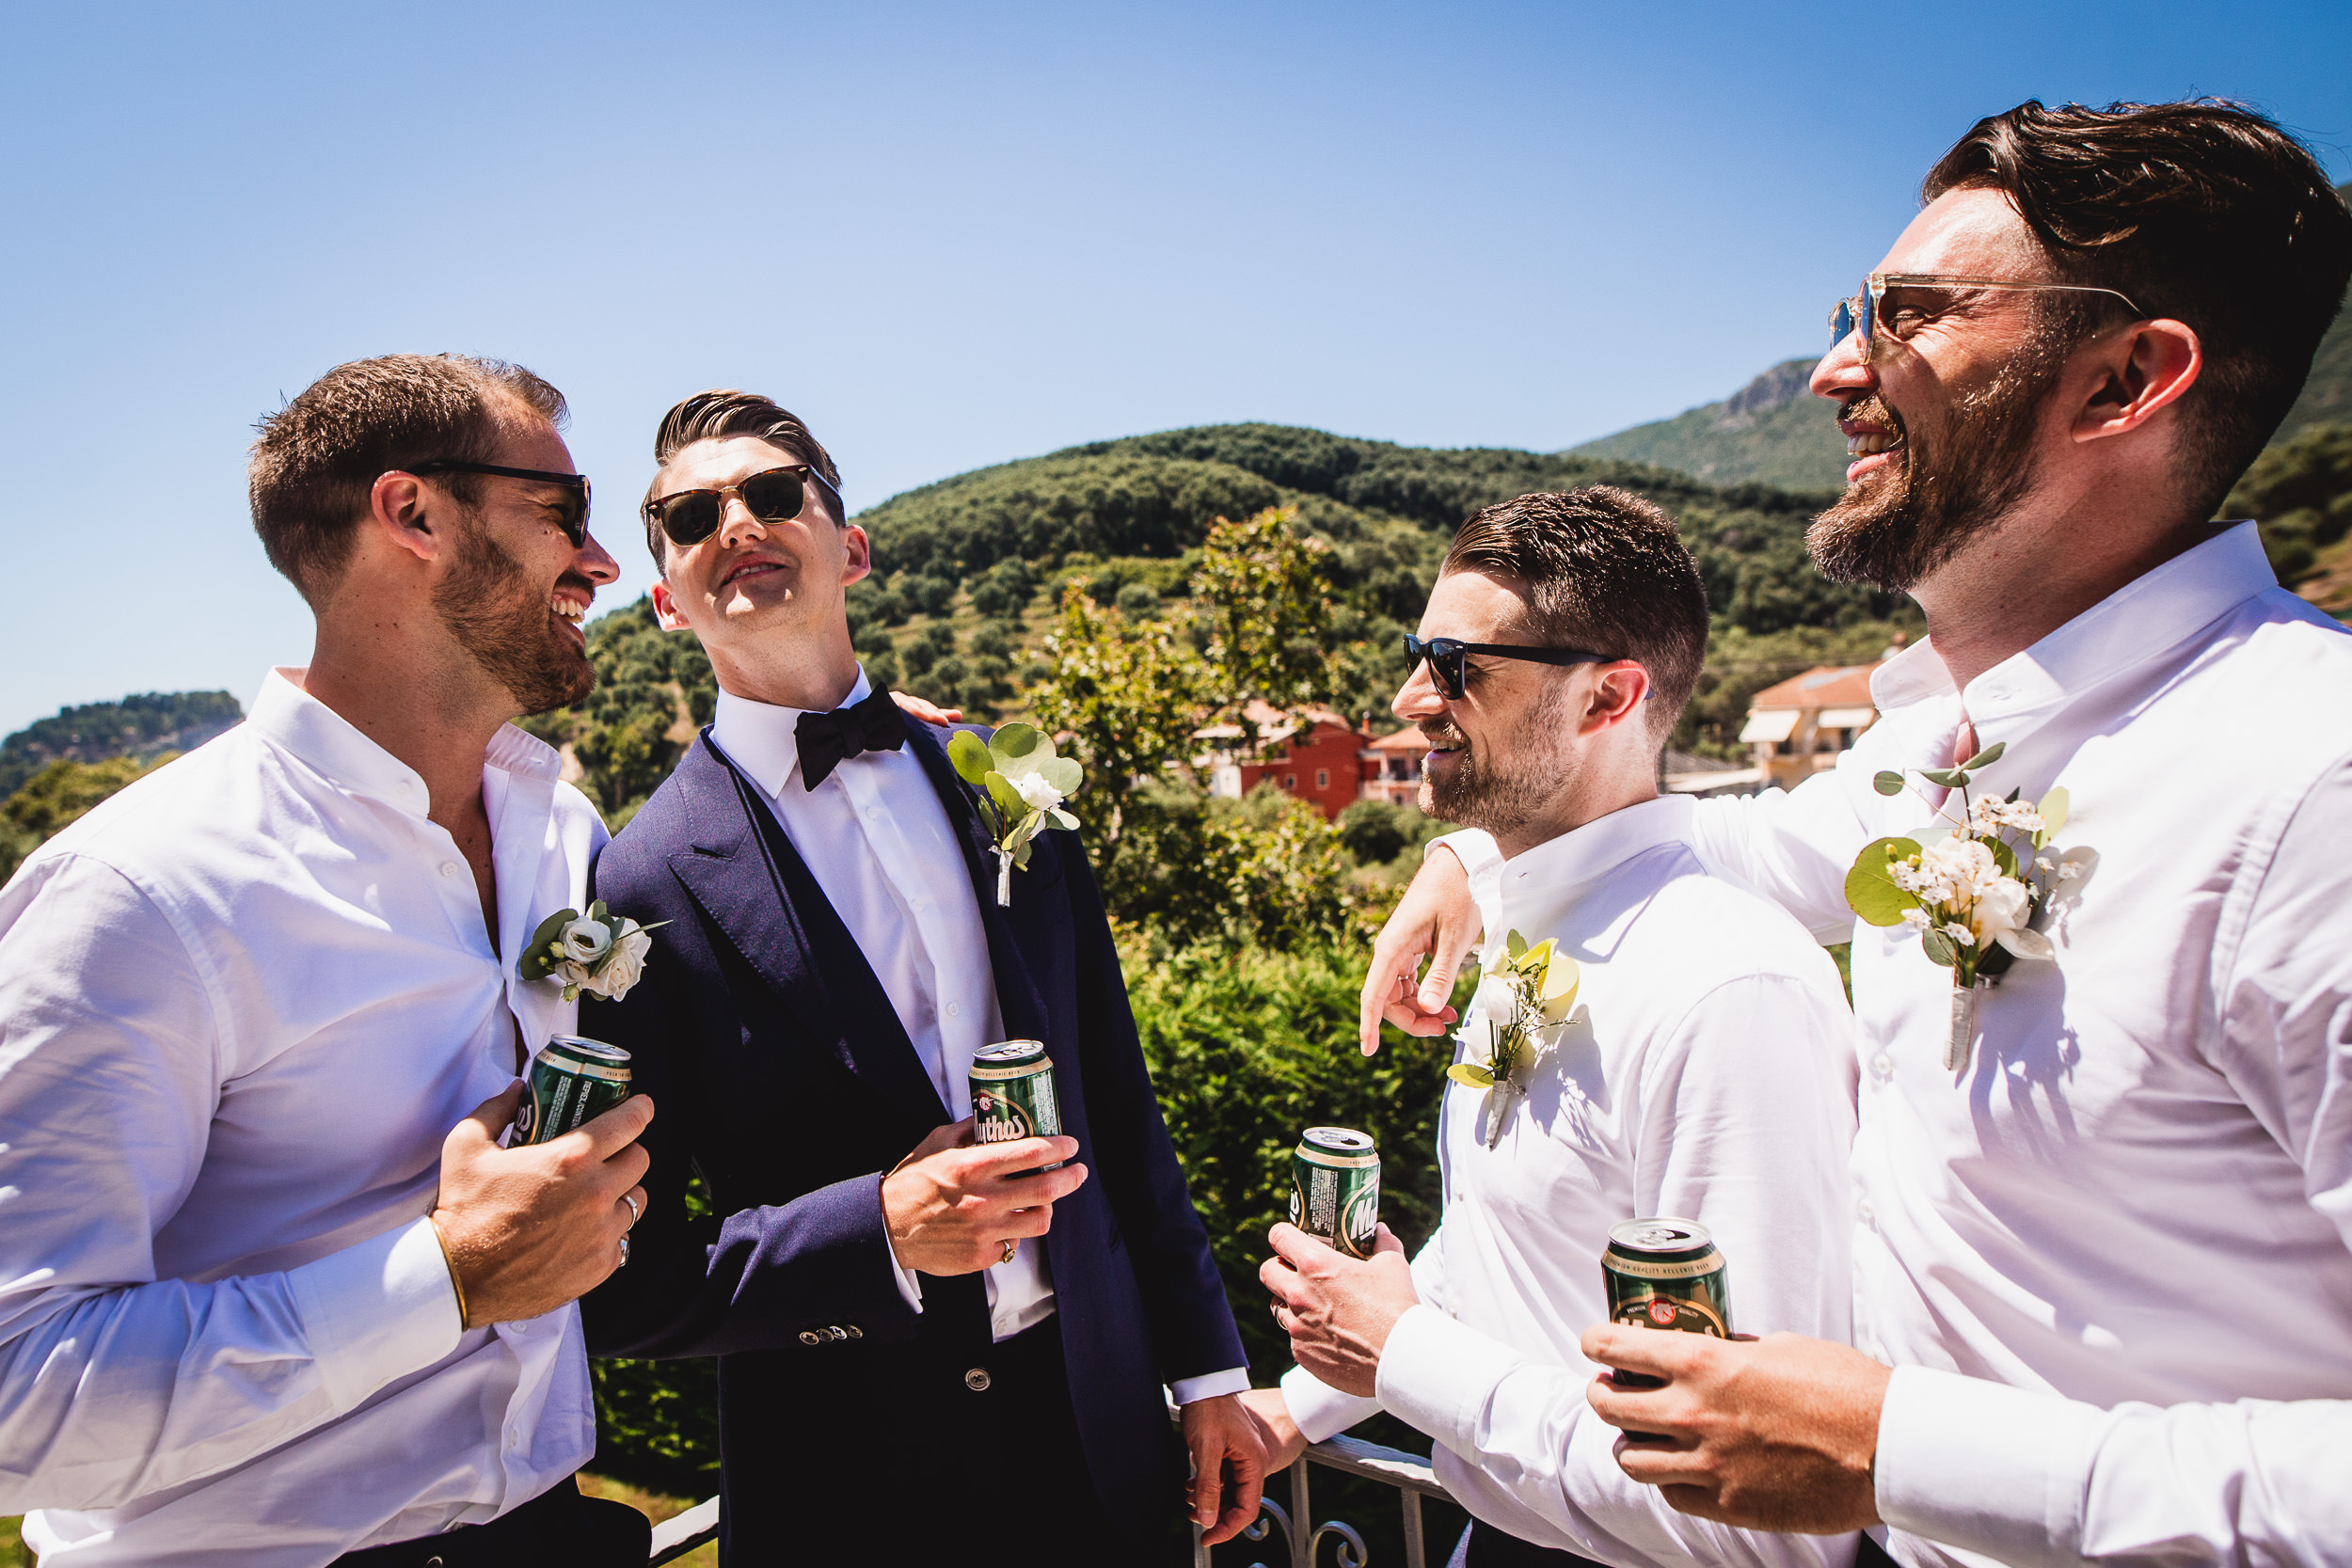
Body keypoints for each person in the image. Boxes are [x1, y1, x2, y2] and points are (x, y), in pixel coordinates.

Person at [1364, 101, 2352, 1568]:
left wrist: (1901, 1448)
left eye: (1909, 319)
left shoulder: (2308, 784)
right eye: (1854, 317)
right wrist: (1466, 853)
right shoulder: (1936, 750)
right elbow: (1721, 846)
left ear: (2125, 380)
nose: (1839, 371)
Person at [578, 389, 1263, 1566]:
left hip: (1100, 1436)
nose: (734, 520)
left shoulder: (1005, 779)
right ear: (665, 598)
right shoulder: (638, 880)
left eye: (772, 493)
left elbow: (1116, 1086)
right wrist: (876, 1232)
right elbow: (616, 1278)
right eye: (690, 514)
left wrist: (1207, 1368)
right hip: (847, 1485)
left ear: (849, 546)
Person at [0, 354, 658, 1566]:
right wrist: (445, 1277)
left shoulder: (559, 829)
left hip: (549, 1526)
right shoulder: (143, 892)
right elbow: (14, 1396)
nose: (604, 561)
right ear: (410, 513)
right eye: (562, 514)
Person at [1245, 487, 1860, 1568]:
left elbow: (1752, 1517)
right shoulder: (1536, 931)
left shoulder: (1725, 988)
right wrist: (1299, 1401)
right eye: (1417, 654)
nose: (1410, 697)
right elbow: (1509, 1249)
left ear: (1606, 696)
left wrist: (1402, 1352)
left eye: (1458, 668)